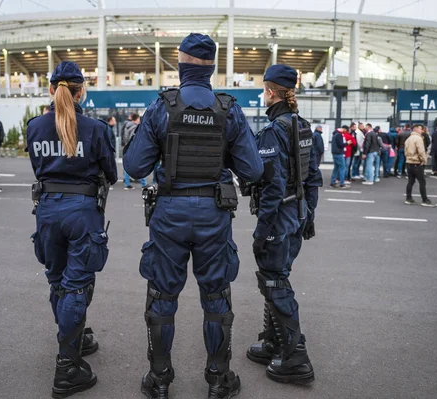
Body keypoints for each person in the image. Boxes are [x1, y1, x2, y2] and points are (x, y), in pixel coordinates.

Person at [123, 33, 263, 398]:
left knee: (162, 297)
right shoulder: (228, 108)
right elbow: (253, 169)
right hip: (214, 213)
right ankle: (218, 379)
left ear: (181, 64)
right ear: (211, 67)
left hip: (169, 212)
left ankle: (159, 380)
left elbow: (135, 166)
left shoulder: (161, 107)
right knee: (216, 296)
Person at [27, 61, 117, 398]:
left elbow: (39, 168)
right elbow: (111, 172)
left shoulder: (34, 126)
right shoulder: (94, 128)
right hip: (82, 212)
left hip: (47, 210)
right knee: (76, 287)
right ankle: (67, 367)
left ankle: (74, 338)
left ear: (52, 90)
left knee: (57, 280)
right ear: (81, 91)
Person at [246, 63, 319, 387]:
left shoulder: (275, 130)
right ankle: (274, 342)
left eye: (264, 90)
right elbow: (313, 178)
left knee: (275, 282)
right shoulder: (302, 126)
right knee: (276, 278)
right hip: (296, 215)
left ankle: (296, 358)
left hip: (279, 218)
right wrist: (308, 215)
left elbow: (273, 186)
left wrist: (262, 231)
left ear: (271, 92)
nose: (263, 95)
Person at [404, 124, 435, 207]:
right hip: (417, 163)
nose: (422, 131)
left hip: (409, 162)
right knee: (422, 182)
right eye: (421, 129)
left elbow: (405, 151)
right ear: (417, 129)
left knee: (411, 181)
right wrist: (424, 160)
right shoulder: (418, 139)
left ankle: (408, 198)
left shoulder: (408, 139)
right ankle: (425, 200)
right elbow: (421, 151)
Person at [122, 113, 147, 190]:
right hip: (134, 149)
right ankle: (144, 183)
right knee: (139, 164)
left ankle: (127, 183)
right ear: (136, 119)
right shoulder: (134, 127)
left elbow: (125, 137)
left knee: (128, 166)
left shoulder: (127, 126)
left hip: (128, 148)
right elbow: (135, 139)